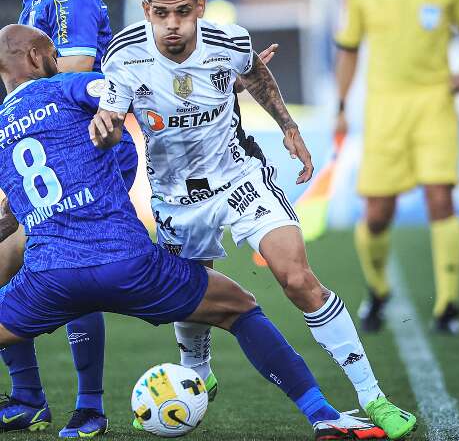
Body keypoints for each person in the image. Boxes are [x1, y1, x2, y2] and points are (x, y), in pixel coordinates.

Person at [0, 24, 390, 441]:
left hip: (48, 279)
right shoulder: (69, 87)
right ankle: (324, 415)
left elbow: (11, 214)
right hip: (128, 264)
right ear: (38, 58)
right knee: (240, 307)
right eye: (53, 57)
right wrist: (217, 87)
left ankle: (34, 400)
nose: (59, 64)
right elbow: (128, 90)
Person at [90, 0, 417, 439]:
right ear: (146, 12)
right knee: (191, 296)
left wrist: (289, 128)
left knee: (297, 277)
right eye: (162, 14)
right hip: (176, 196)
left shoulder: (229, 42)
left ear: (200, 9)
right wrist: (107, 127)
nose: (173, 24)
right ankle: (196, 372)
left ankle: (373, 397)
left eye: (183, 12)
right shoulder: (124, 53)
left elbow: (258, 75)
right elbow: (112, 114)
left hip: (239, 178)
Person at [0, 0, 138, 436]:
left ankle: (88, 404)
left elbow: (71, 78)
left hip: (89, 152)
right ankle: (27, 398)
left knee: (72, 260)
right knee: (15, 262)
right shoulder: (36, 2)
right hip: (53, 160)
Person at [334, 0, 459, 333]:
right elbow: (348, 48)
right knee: (377, 213)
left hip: (435, 103)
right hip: (383, 110)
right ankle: (379, 290)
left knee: (440, 199)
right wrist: (342, 106)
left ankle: (448, 306)